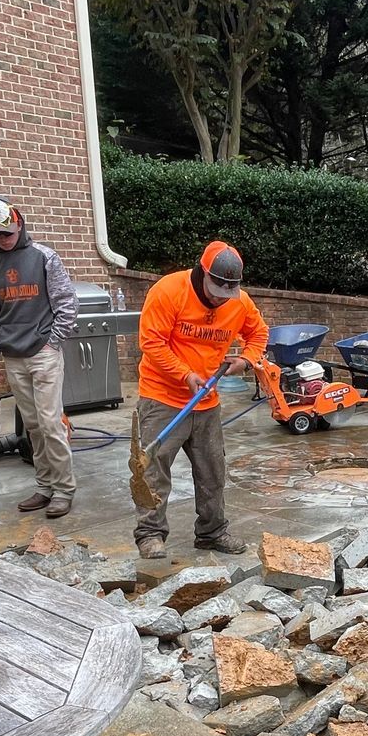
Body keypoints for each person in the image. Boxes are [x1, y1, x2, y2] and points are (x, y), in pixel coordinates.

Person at [132, 240, 268, 560]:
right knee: (153, 468)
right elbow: (151, 342)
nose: (220, 299)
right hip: (162, 398)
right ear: (202, 273)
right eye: (215, 291)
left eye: (227, 293)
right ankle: (150, 533)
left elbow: (258, 333)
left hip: (206, 402)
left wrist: (246, 360)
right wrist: (185, 375)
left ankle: (212, 532)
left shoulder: (240, 302)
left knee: (212, 472)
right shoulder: (168, 291)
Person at [0, 197, 79, 516]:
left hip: (43, 353)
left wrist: (53, 342)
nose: (3, 239)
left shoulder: (44, 257)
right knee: (32, 426)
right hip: (13, 356)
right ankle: (44, 486)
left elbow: (67, 303)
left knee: (51, 423)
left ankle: (64, 489)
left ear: (18, 224)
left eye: (7, 233)